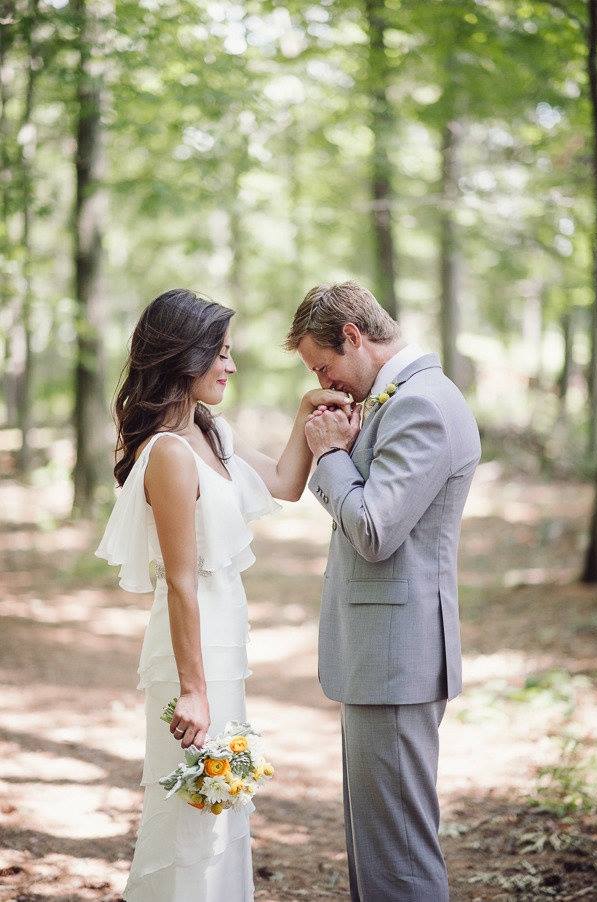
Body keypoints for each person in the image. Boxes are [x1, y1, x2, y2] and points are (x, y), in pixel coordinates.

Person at [95, 288, 350, 901]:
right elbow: (181, 580)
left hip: (224, 641)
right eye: (222, 354)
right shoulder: (171, 456)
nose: (231, 366)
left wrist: (307, 413)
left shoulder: (213, 432)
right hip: (192, 651)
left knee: (223, 804)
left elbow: (288, 484)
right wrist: (193, 690)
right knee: (190, 811)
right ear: (186, 357)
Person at [285, 280, 481, 902]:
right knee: (377, 845)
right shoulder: (400, 398)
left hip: (399, 657)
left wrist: (328, 455)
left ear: (354, 336)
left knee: (398, 855)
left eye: (326, 365)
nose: (326, 382)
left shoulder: (422, 404)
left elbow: (373, 530)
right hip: (384, 656)